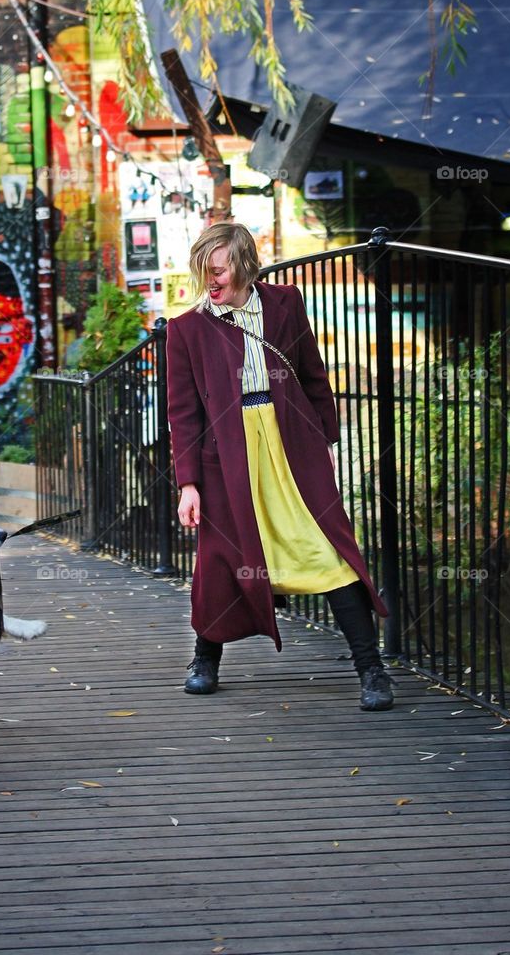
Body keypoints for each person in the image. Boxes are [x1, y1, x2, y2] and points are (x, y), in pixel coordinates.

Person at [165, 221, 394, 710]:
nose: (211, 280)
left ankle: (371, 669)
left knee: (327, 549)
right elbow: (182, 412)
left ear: (244, 264)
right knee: (222, 560)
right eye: (204, 270)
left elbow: (313, 374)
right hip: (225, 455)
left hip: (291, 444)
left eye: (220, 270)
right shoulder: (187, 329)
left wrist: (325, 439)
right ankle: (204, 659)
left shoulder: (286, 304)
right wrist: (188, 483)